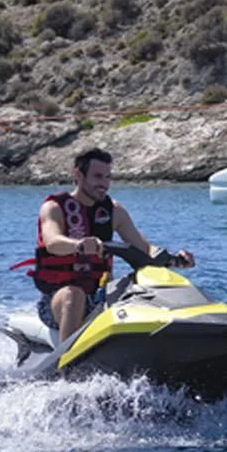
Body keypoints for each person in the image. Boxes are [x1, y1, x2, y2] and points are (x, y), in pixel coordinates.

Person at [30, 146, 196, 344]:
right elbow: (52, 242)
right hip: (56, 299)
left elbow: (144, 248)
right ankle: (67, 362)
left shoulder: (114, 211)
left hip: (99, 297)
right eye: (98, 176)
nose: (104, 183)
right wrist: (79, 245)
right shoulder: (54, 207)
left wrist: (174, 260)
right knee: (73, 295)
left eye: (108, 177)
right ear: (79, 175)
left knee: (140, 290)